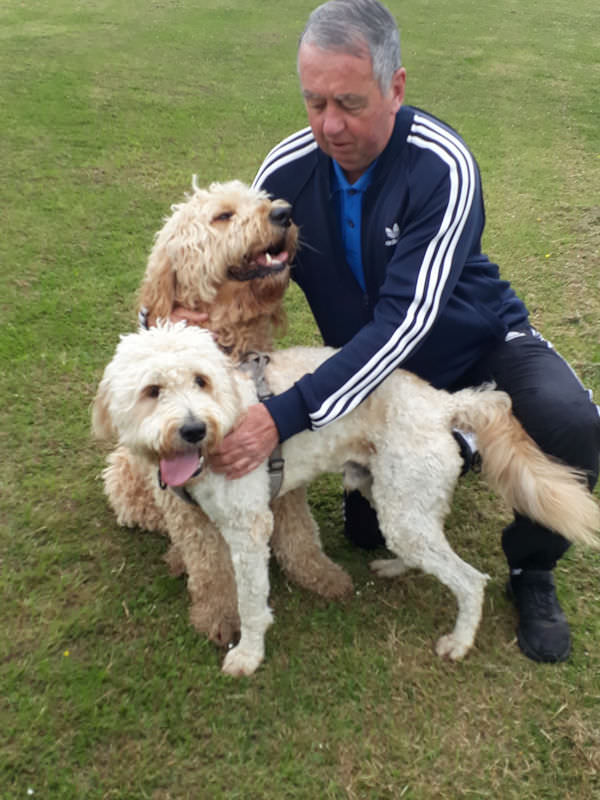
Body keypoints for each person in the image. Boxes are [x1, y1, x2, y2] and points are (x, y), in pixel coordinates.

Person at [178, 0, 600, 663]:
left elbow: (404, 325)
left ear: (396, 87)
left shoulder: (442, 163)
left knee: (572, 422)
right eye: (314, 102)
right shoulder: (285, 172)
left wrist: (281, 416)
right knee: (369, 534)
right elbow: (218, 268)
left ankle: (531, 568)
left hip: (475, 345)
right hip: (370, 380)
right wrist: (164, 323)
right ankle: (453, 445)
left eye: (349, 102)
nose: (330, 125)